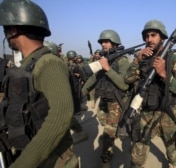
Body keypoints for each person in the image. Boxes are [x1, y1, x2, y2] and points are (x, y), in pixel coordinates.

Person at [0, 0, 78, 167]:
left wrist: (23, 164)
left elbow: (62, 114)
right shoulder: (26, 66)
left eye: (5, 29)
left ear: (13, 29)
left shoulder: (48, 63)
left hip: (51, 159)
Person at [124, 20, 176, 168]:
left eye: (153, 35)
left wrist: (164, 74)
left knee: (173, 153)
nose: (149, 39)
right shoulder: (143, 58)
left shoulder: (174, 57)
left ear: (163, 38)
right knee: (137, 155)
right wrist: (138, 59)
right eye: (146, 36)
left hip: (169, 113)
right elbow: (127, 79)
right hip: (146, 113)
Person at [81, 29, 131, 167]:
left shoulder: (122, 61)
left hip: (116, 102)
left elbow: (123, 85)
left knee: (107, 136)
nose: (103, 44)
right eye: (102, 42)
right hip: (103, 101)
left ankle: (106, 161)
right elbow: (93, 78)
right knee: (107, 129)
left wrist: (107, 68)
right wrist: (80, 93)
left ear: (114, 43)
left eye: (106, 41)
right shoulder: (103, 59)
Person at [66, 50, 89, 144]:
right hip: (73, 87)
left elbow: (84, 77)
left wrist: (79, 77)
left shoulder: (75, 66)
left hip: (74, 87)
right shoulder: (69, 65)